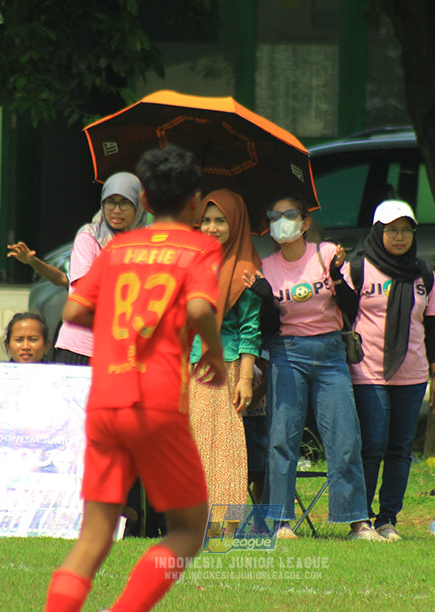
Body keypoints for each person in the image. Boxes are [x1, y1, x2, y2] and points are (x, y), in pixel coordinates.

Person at [44, 145, 226, 612]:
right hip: (157, 401)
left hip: (106, 401)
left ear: (142, 198)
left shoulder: (119, 247)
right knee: (188, 529)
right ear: (195, 202)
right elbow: (201, 306)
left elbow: (73, 309)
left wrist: (123, 322)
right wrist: (215, 352)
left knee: (94, 538)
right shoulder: (201, 246)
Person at [243, 195, 381, 541]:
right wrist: (263, 296)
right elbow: (271, 327)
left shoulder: (326, 253)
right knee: (281, 439)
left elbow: (352, 306)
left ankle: (357, 522)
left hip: (331, 352)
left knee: (344, 436)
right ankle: (280, 522)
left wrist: (336, 275)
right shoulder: (267, 265)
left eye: (289, 215)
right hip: (287, 353)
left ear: (305, 223)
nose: (280, 222)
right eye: (274, 216)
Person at [335, 200, 435, 543]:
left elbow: (433, 326)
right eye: (391, 229)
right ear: (377, 231)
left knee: (399, 448)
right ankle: (362, 521)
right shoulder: (357, 270)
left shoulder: (424, 274)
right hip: (369, 372)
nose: (399, 237)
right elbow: (341, 312)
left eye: (406, 229)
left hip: (412, 375)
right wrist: (333, 273)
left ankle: (388, 520)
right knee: (373, 444)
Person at [7, 172, 147, 364]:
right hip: (81, 347)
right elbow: (85, 290)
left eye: (125, 203)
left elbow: (65, 279)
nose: (116, 210)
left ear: (138, 206)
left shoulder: (146, 243)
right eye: (110, 202)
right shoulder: (90, 237)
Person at [188, 189, 261, 507]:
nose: (212, 228)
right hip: (187, 366)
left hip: (224, 367)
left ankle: (222, 519)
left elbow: (250, 329)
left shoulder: (245, 267)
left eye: (221, 221)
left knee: (221, 444)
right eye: (205, 220)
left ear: (236, 223)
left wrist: (245, 379)